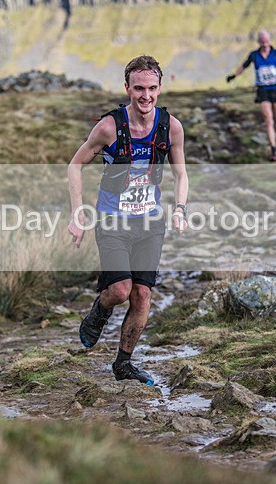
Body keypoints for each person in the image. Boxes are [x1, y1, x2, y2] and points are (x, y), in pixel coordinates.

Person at [67, 55, 189, 385]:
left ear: (160, 88)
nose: (145, 96)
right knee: (120, 291)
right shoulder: (109, 127)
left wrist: (179, 209)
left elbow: (181, 175)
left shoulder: (171, 127)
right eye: (138, 89)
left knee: (142, 296)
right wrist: (78, 214)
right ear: (127, 88)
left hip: (150, 223)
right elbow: (74, 165)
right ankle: (100, 309)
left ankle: (124, 363)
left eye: (151, 88)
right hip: (112, 221)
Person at [227, 30, 276, 161]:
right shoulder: (254, 55)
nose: (264, 43)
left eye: (266, 40)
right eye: (262, 41)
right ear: (258, 42)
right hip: (262, 91)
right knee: (269, 120)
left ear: (270, 40)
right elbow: (244, 66)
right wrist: (234, 75)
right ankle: (273, 150)